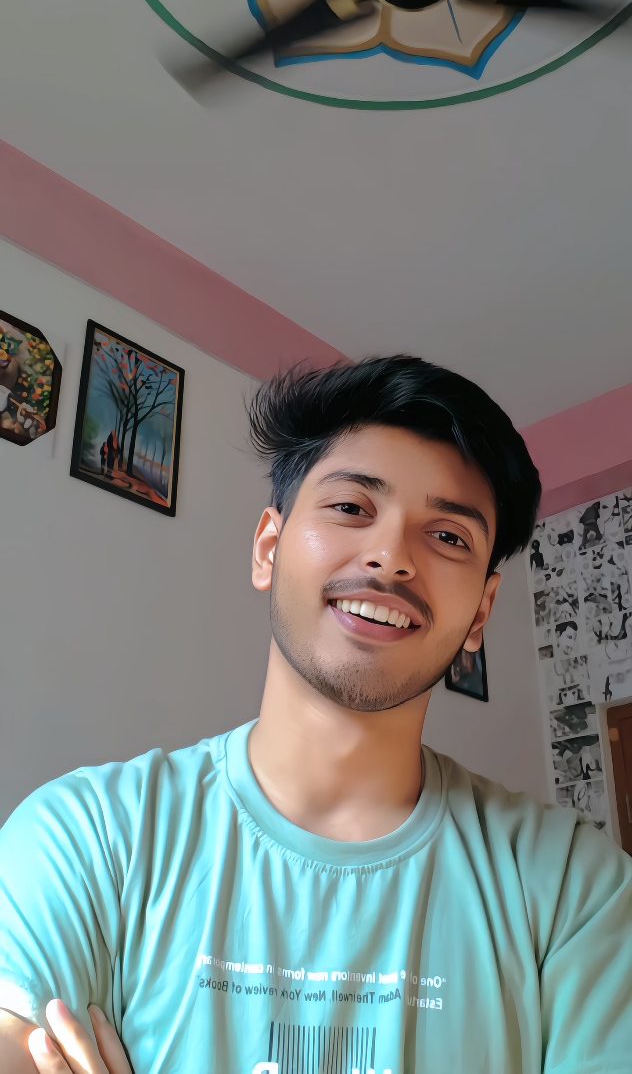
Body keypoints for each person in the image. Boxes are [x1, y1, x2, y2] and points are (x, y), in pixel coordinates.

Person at [0, 354, 630, 1074]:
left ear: (482, 612)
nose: (391, 557)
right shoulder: (88, 838)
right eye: (351, 508)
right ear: (268, 549)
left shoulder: (574, 888)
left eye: (449, 537)